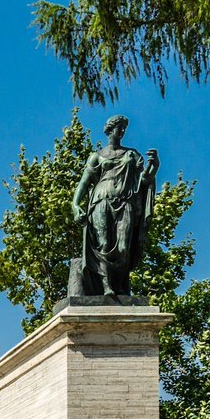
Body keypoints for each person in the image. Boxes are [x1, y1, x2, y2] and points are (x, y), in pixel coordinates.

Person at [70, 115, 158, 297]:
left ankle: (119, 285)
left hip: (126, 202)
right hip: (101, 201)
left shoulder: (132, 154)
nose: (123, 131)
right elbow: (84, 183)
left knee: (124, 247)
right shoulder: (96, 156)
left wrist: (154, 166)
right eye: (120, 127)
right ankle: (106, 286)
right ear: (110, 129)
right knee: (103, 244)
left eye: (125, 128)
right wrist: (75, 205)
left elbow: (143, 181)